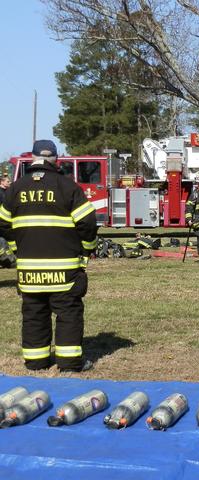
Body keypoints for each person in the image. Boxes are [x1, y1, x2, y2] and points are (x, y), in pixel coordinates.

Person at [0, 140, 98, 372]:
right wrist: (86, 249)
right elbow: (87, 222)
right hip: (64, 269)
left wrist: (17, 249)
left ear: (32, 159)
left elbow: (3, 225)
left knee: (34, 312)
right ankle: (69, 362)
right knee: (68, 312)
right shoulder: (67, 187)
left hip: (29, 270)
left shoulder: (15, 189)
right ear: (56, 159)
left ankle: (36, 361)